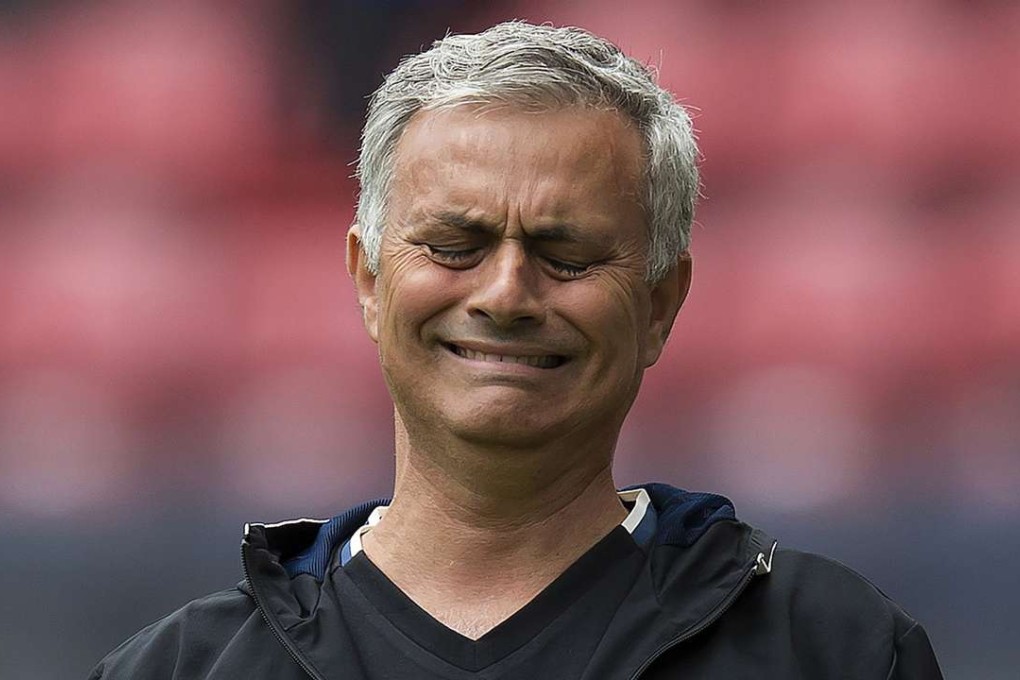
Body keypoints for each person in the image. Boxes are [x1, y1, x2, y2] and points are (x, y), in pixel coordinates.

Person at [89, 21, 943, 679]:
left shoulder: (831, 648)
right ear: (368, 280)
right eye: (455, 244)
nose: (504, 294)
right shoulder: (183, 668)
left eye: (565, 253)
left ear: (659, 303)